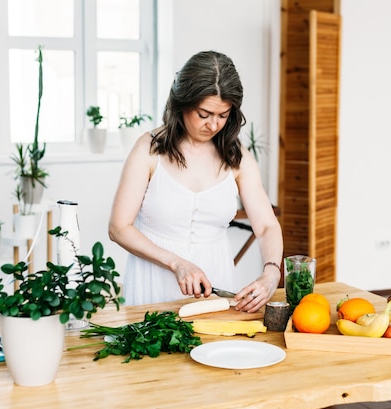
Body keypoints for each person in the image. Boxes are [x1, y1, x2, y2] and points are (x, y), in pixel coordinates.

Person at [108, 50, 283, 313]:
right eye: (204, 114)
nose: (214, 125)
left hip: (216, 284)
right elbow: (119, 227)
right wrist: (177, 263)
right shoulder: (149, 149)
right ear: (183, 103)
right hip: (153, 285)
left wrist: (271, 273)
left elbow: (267, 226)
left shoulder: (237, 157)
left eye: (223, 115)